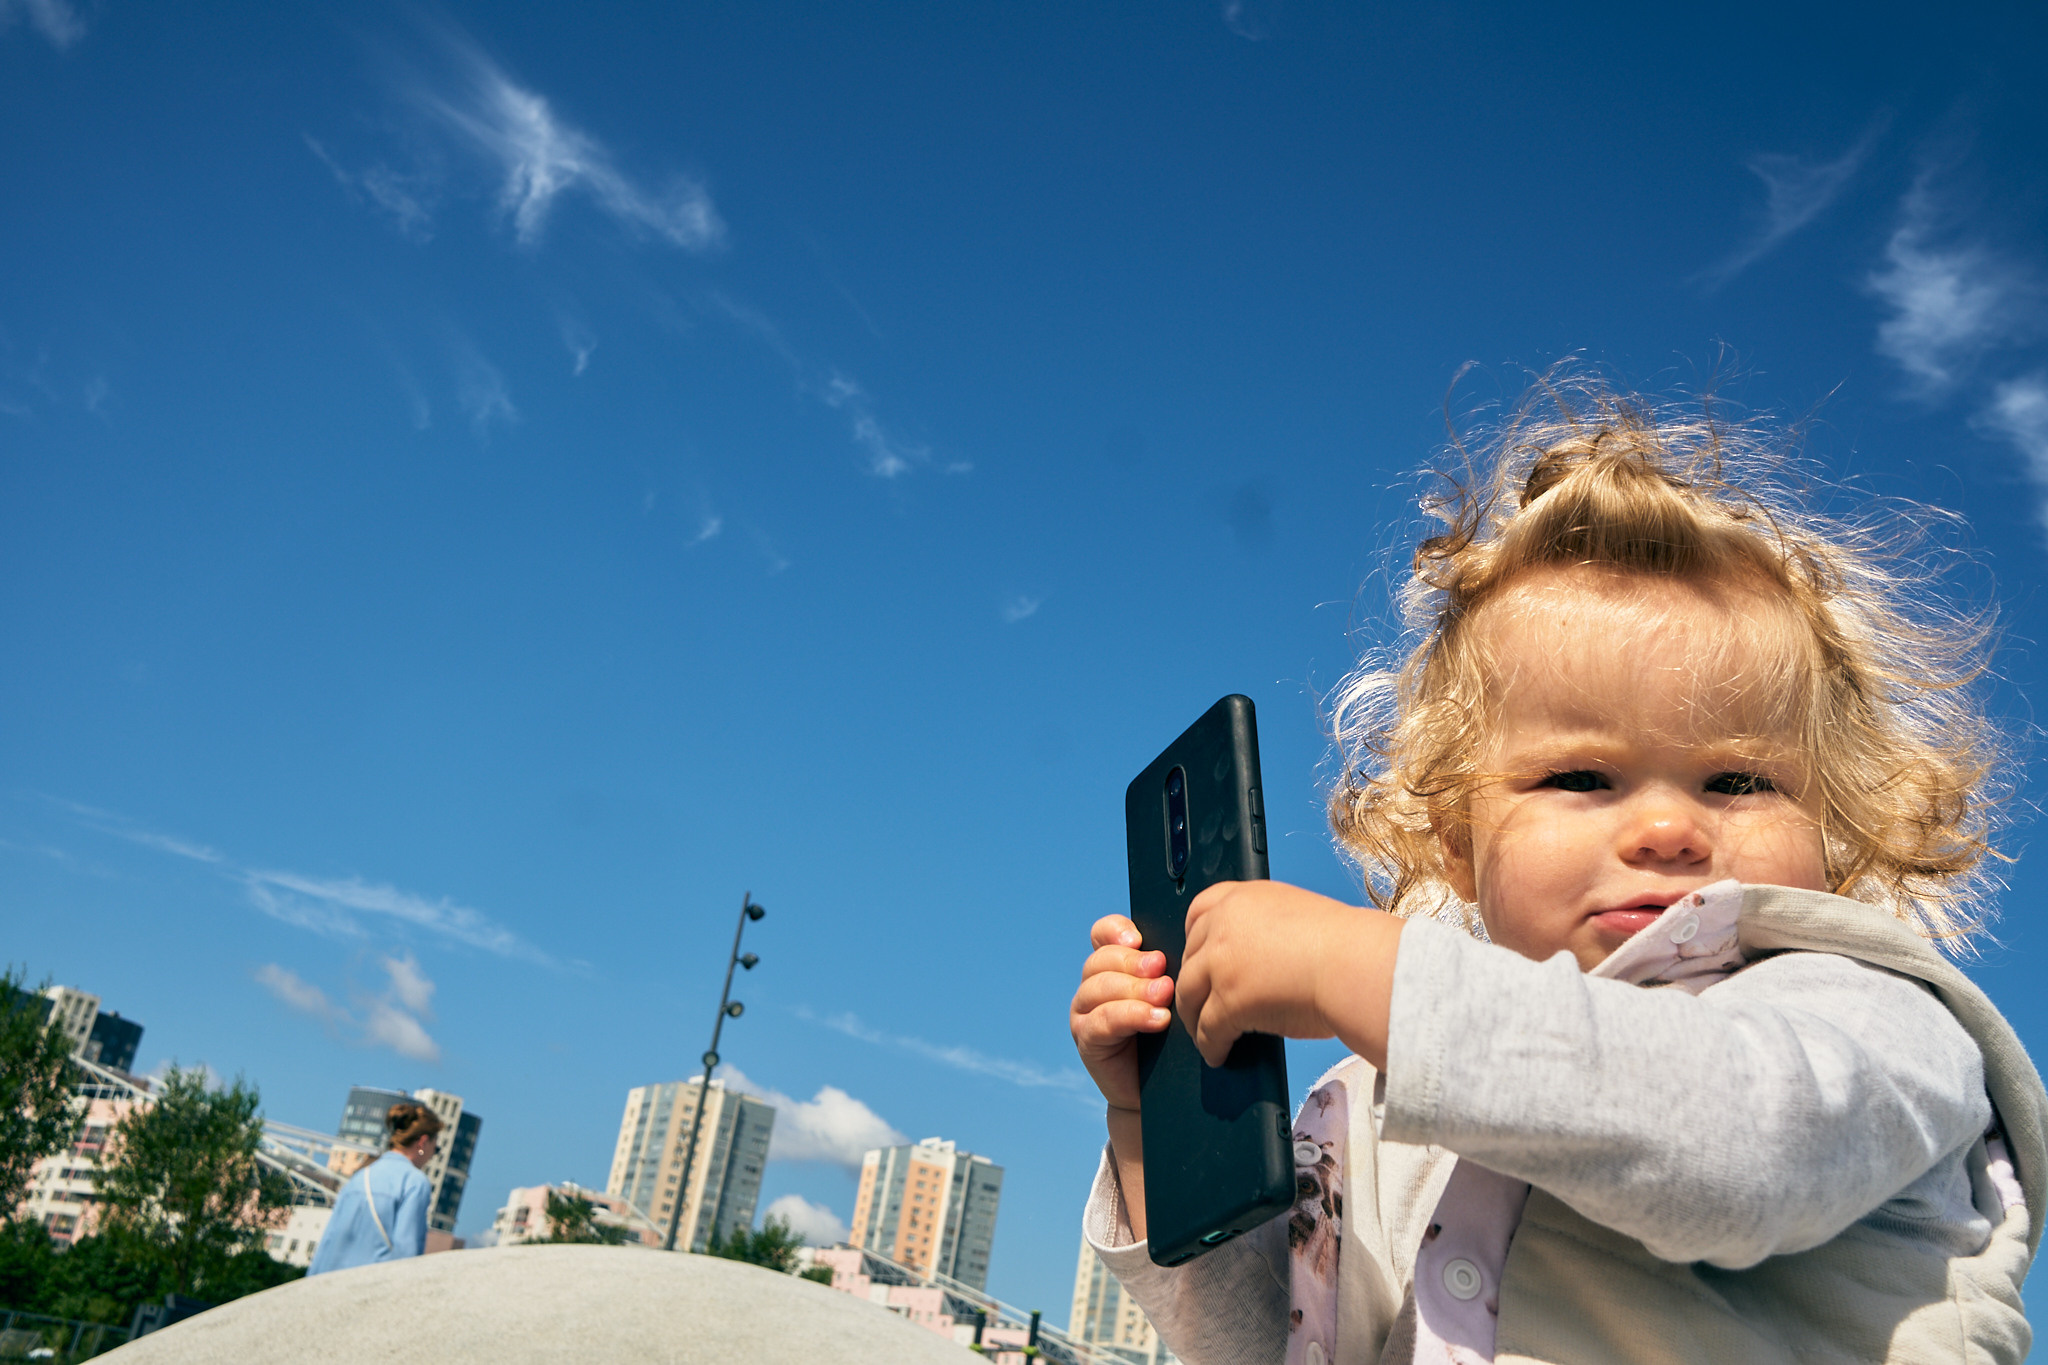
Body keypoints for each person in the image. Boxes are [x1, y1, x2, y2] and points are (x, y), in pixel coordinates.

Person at [1070, 377, 2046, 1365]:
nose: (1668, 827)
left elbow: (1737, 1148)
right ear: (1455, 839)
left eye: (1738, 781)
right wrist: (1151, 1129)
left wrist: (1360, 971)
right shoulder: (1379, 1092)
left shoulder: (1869, 1014)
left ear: (1834, 829)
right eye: (1580, 777)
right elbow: (1272, 1348)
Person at [306, 1101, 442, 1275]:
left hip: (330, 1284)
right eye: (435, 1149)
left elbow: (327, 1243)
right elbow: (406, 1252)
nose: (432, 1155)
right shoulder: (414, 1182)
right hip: (369, 1286)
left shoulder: (360, 1176)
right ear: (423, 1142)